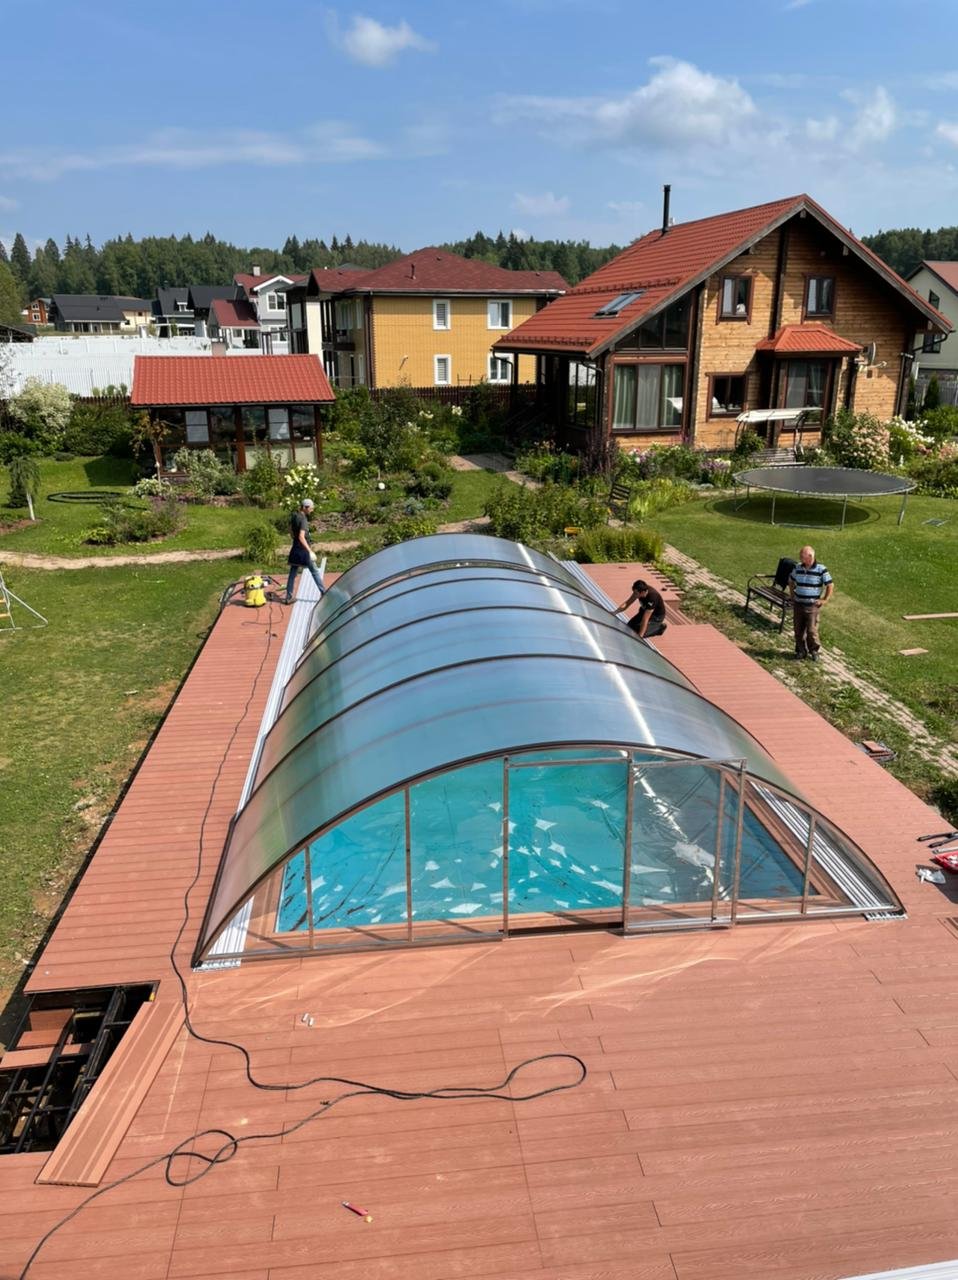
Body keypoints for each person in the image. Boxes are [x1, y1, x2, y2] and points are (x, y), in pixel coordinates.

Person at [789, 544, 833, 661]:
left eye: (802, 557)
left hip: (812, 605)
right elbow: (791, 580)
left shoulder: (821, 569)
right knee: (798, 629)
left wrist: (825, 599)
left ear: (810, 556)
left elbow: (830, 585)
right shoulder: (798, 567)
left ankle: (814, 651)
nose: (800, 559)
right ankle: (800, 651)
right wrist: (792, 595)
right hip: (798, 603)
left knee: (811, 630)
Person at [284, 498, 325, 604]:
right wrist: (309, 551)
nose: (312, 510)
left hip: (295, 548)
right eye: (311, 508)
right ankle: (324, 593)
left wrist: (293, 537)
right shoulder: (303, 520)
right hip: (303, 550)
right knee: (314, 571)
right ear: (305, 507)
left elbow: (289, 529)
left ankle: (288, 597)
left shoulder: (294, 516)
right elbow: (302, 537)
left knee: (293, 572)